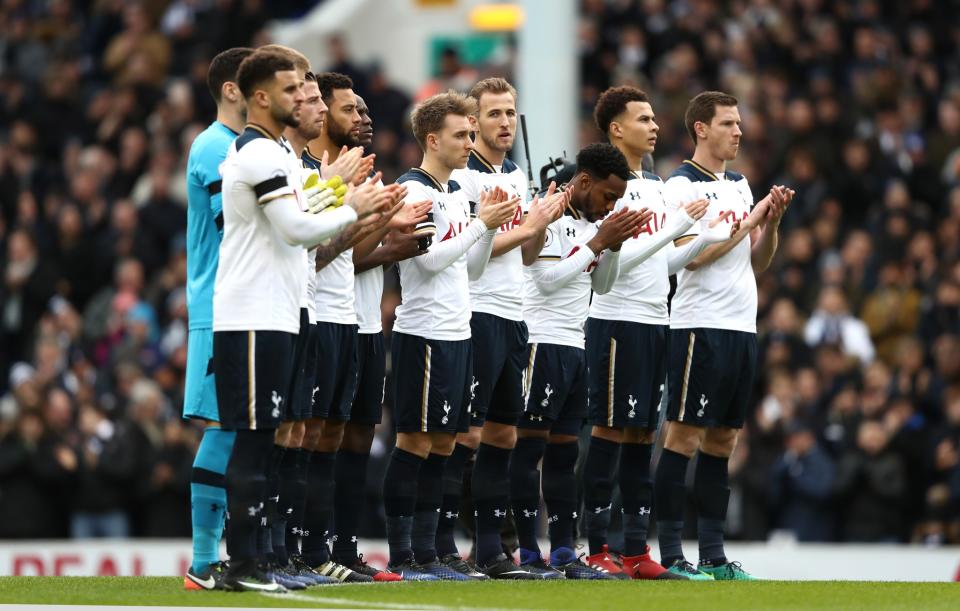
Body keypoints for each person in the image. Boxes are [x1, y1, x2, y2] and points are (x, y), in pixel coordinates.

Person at [212, 48, 384, 592]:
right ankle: (241, 564)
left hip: (280, 315)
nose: (302, 98)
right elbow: (294, 228)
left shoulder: (279, 156)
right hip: (252, 315)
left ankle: (259, 560)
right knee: (256, 440)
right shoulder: (259, 157)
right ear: (260, 97)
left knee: (268, 441)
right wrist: (353, 204)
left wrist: (334, 190)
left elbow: (304, 212)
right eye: (291, 91)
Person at [583, 85, 729, 580]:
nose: (655, 126)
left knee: (643, 432)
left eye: (653, 118)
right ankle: (596, 546)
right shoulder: (609, 188)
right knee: (606, 428)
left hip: (655, 320)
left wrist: (704, 236)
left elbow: (665, 261)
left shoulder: (660, 187)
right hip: (616, 318)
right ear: (616, 128)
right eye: (643, 119)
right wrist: (674, 232)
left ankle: (634, 550)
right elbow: (611, 270)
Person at [654, 90, 793, 580]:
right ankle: (671, 552)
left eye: (739, 123)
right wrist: (750, 222)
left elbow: (757, 261)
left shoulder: (739, 184)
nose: (739, 131)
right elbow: (691, 255)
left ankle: (713, 555)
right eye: (729, 123)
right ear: (701, 129)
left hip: (740, 324)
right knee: (684, 434)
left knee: (725, 440)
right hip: (698, 324)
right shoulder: (680, 187)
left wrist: (769, 225)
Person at [382, 91, 518, 581]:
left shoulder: (460, 192)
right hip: (423, 333)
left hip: (459, 332)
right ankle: (403, 553)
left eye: (470, 133)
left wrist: (486, 228)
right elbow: (429, 259)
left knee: (443, 446)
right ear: (433, 139)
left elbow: (471, 266)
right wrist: (481, 224)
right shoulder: (414, 191)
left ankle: (430, 552)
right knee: (415, 443)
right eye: (461, 134)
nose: (470, 141)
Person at [445, 77, 565, 579]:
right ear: (473, 121)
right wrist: (528, 226)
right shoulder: (464, 177)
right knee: (464, 436)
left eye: (509, 113)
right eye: (493, 113)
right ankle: (442, 544)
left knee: (503, 435)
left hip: (515, 315)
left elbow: (529, 253)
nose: (504, 122)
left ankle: (492, 549)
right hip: (476, 312)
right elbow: (474, 251)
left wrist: (544, 219)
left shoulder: (516, 174)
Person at [512, 143, 648, 579]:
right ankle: (528, 554)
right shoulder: (547, 214)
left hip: (575, 346)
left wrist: (615, 246)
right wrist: (598, 242)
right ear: (584, 182)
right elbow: (547, 280)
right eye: (608, 196)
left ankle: (566, 553)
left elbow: (603, 287)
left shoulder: (595, 225)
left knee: (564, 455)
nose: (610, 206)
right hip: (540, 342)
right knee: (529, 450)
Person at [328, 90, 428, 580]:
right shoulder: (317, 176)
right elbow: (332, 256)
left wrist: (392, 234)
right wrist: (391, 239)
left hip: (367, 325)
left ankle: (344, 551)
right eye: (351, 109)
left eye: (366, 111)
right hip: (328, 319)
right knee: (314, 436)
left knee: (356, 438)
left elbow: (355, 254)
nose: (364, 119)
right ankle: (299, 548)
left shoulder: (366, 177)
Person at [182, 46, 253, 592]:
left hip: (247, 304)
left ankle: (243, 555)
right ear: (233, 90)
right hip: (219, 306)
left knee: (250, 430)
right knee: (226, 426)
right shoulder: (214, 147)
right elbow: (234, 228)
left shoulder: (246, 148)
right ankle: (204, 562)